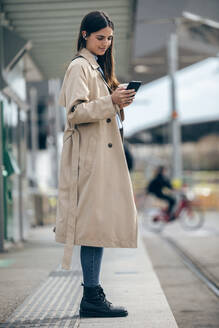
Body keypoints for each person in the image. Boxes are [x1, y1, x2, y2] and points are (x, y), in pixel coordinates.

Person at [54, 11, 138, 318]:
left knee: (98, 226)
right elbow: (75, 113)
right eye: (100, 37)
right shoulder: (79, 67)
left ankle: (93, 292)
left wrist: (118, 101)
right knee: (92, 227)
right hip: (88, 161)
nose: (105, 43)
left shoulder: (97, 68)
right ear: (85, 35)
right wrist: (111, 101)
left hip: (97, 159)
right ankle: (91, 296)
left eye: (109, 39)